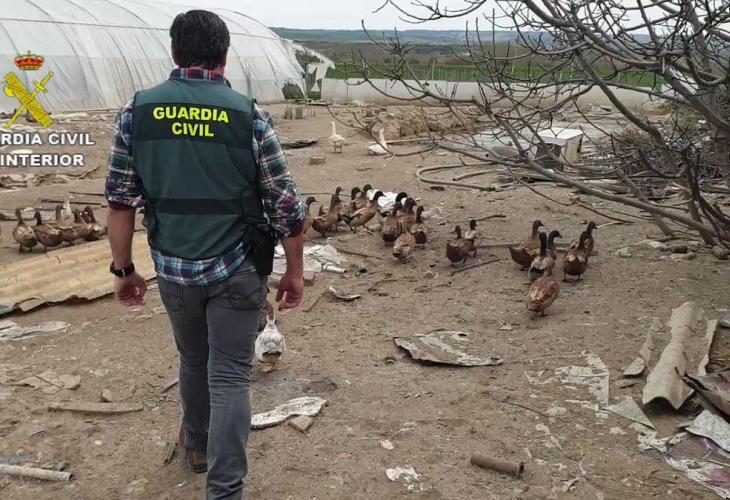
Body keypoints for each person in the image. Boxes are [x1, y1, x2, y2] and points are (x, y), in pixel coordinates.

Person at [104, 9, 305, 500]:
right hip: (237, 268)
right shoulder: (247, 115)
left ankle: (196, 446)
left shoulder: (137, 111)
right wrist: (295, 271)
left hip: (174, 268)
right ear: (224, 56)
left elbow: (120, 200)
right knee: (230, 375)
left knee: (194, 360)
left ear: (174, 53)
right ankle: (225, 490)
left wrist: (124, 270)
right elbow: (285, 205)